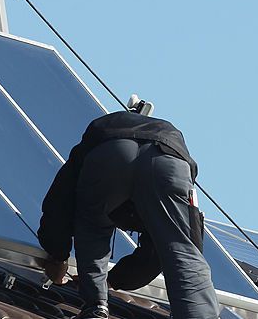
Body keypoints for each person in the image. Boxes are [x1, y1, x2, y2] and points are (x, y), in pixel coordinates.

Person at [38, 111, 220, 319]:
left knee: (92, 226)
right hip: (170, 161)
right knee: (182, 250)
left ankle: (95, 307)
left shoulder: (94, 148)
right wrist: (117, 280)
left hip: (109, 151)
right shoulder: (154, 204)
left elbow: (59, 202)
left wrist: (58, 255)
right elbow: (158, 255)